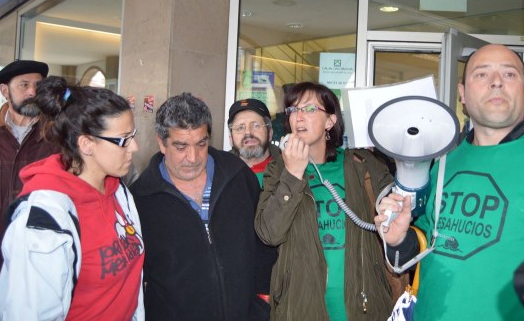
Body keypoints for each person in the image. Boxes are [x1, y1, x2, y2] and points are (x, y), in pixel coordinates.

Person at [376, 44, 524, 320]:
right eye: (481, 75)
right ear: (463, 95)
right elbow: (424, 247)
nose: (496, 82)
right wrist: (399, 240)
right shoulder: (442, 163)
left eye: (509, 74)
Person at [0, 76, 144, 320]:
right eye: (123, 140)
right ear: (86, 144)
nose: (134, 147)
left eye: (133, 135)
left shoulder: (119, 193)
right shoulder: (44, 221)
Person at [255, 81, 398, 320]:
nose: (298, 117)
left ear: (330, 121)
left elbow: (400, 218)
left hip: (362, 304)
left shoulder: (362, 166)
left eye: (309, 109)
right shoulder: (277, 171)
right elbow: (269, 233)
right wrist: (292, 175)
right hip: (301, 306)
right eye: (293, 110)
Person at [131, 92, 269, 320]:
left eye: (201, 143)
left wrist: (262, 304)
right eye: (181, 146)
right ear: (161, 143)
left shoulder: (238, 175)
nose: (193, 157)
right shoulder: (141, 199)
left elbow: (262, 243)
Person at [0, 60, 58, 320]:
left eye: (38, 86)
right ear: (4, 91)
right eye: (24, 85)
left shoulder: (59, 139)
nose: (33, 92)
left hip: (46, 270)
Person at [228, 98, 280, 306]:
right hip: (233, 289)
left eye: (256, 125)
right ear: (231, 137)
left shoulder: (291, 172)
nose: (248, 132)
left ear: (270, 132)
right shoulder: (217, 175)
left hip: (279, 290)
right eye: (240, 127)